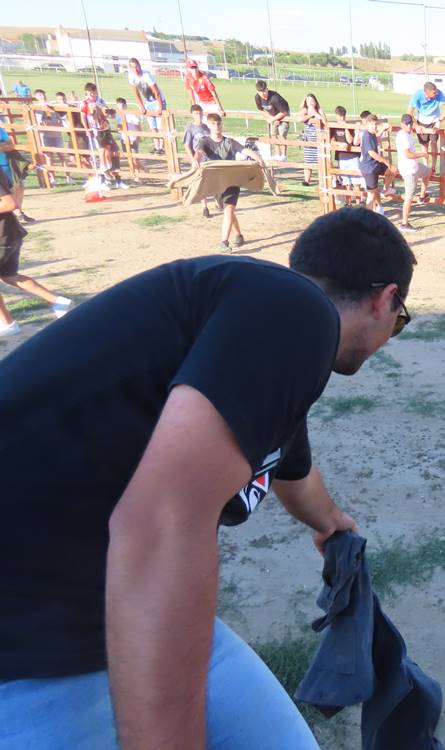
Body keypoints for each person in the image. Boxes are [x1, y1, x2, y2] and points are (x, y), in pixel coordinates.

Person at [0, 207, 415, 749]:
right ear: (384, 300)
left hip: (112, 610)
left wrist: (330, 523)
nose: (391, 332)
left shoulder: (262, 328)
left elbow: (291, 465)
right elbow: (160, 524)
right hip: (26, 645)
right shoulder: (297, 313)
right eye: (400, 320)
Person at [0, 169, 72, 338]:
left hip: (2, 236)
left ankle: (7, 323)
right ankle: (58, 301)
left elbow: (10, 203)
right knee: (9, 275)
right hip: (10, 233)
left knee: (8, 275)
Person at [194, 113, 265, 252]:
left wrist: (259, 159)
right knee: (228, 211)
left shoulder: (230, 142)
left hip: (232, 181)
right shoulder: (205, 141)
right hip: (216, 183)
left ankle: (223, 243)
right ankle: (238, 235)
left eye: (219, 123)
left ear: (222, 124)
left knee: (228, 210)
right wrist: (196, 160)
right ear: (208, 125)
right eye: (213, 124)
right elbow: (199, 152)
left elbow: (245, 150)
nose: (217, 126)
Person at [81, 82, 126, 190]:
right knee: (102, 151)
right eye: (90, 93)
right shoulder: (85, 102)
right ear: (87, 92)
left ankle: (108, 169)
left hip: (104, 127)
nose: (92, 94)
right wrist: (86, 128)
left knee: (108, 149)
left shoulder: (99, 100)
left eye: (93, 92)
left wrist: (107, 111)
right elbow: (83, 116)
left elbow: (106, 110)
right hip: (95, 129)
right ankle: (103, 172)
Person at [396, 114, 431, 233]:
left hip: (414, 166)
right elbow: (408, 155)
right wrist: (422, 154)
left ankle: (422, 196)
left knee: (427, 171)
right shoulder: (404, 137)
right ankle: (404, 223)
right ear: (402, 124)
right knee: (409, 197)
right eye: (407, 123)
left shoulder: (407, 133)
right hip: (408, 169)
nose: (409, 126)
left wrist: (417, 126)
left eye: (410, 123)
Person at [359, 113, 398, 215]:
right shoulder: (366, 135)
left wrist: (383, 128)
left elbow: (376, 138)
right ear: (367, 124)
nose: (374, 126)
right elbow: (371, 153)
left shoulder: (372, 134)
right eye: (372, 124)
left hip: (375, 165)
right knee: (371, 194)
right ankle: (367, 217)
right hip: (369, 168)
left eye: (376, 124)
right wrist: (384, 161)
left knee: (392, 169)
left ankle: (385, 189)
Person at [127, 58, 167, 155]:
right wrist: (141, 106)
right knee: (153, 127)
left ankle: (161, 147)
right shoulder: (131, 77)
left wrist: (160, 107)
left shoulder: (146, 75)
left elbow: (156, 91)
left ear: (139, 66)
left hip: (156, 100)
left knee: (160, 127)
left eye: (136, 66)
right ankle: (156, 147)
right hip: (147, 102)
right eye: (133, 67)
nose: (135, 69)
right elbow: (135, 92)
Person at [182, 104, 213, 218]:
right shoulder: (190, 128)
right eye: (196, 113)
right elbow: (187, 145)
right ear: (192, 115)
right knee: (201, 184)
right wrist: (192, 159)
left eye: (200, 113)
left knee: (212, 181)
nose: (198, 115)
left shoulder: (206, 127)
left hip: (209, 158)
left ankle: (219, 201)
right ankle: (205, 207)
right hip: (198, 159)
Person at [407, 82, 445, 160]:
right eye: (434, 93)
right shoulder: (417, 95)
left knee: (434, 143)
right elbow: (409, 112)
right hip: (422, 121)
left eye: (436, 91)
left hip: (434, 120)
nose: (436, 93)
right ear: (427, 93)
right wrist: (416, 125)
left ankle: (433, 168)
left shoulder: (439, 93)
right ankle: (426, 166)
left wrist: (439, 122)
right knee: (424, 144)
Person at [331, 107, 363, 207]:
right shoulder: (333, 126)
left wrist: (345, 128)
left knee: (356, 181)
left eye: (343, 116)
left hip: (353, 156)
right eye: (340, 116)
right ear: (336, 116)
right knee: (346, 182)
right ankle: (348, 203)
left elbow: (350, 141)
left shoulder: (350, 126)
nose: (341, 119)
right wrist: (339, 144)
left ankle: (358, 202)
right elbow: (331, 141)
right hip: (342, 156)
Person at [33, 89, 65, 184]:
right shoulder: (36, 109)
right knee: (48, 157)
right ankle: (52, 178)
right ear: (36, 97)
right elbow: (37, 122)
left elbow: (60, 118)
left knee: (62, 155)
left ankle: (68, 176)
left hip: (56, 134)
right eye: (40, 95)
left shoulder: (52, 106)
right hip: (45, 135)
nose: (43, 97)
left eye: (43, 95)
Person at [254, 81, 291, 159]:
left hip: (283, 114)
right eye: (261, 92)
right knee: (273, 134)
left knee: (282, 134)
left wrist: (274, 119)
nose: (263, 93)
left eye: (264, 91)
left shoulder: (275, 98)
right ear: (257, 92)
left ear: (267, 89)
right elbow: (261, 110)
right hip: (272, 115)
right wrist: (271, 118)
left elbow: (284, 112)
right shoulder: (257, 98)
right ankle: (278, 154)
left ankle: (284, 156)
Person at [299, 94, 326, 187]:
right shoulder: (305, 110)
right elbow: (299, 119)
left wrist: (316, 114)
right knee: (308, 161)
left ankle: (323, 180)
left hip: (319, 140)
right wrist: (309, 115)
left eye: (312, 101)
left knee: (322, 161)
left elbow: (325, 122)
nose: (310, 103)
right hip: (309, 140)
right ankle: (307, 180)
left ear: (315, 101)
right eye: (308, 101)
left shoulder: (319, 110)